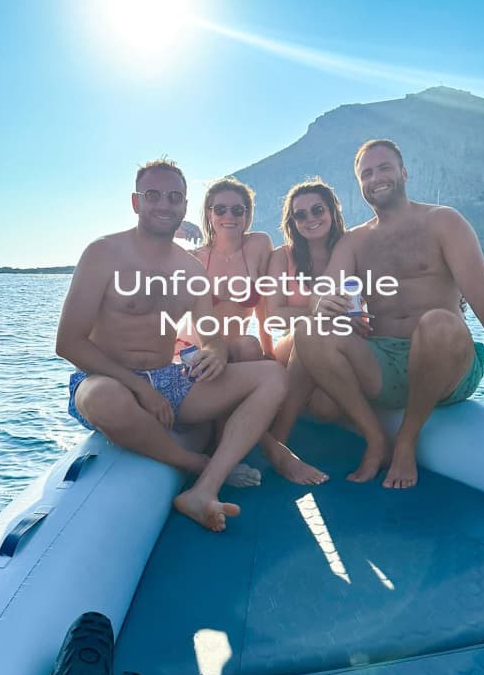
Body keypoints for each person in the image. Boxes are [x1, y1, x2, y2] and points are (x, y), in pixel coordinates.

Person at [291, 139, 484, 489]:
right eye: (366, 173)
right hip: (384, 362)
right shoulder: (354, 241)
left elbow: (482, 296)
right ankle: (375, 437)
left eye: (384, 167)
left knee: (439, 322)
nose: (376, 178)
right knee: (309, 330)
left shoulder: (443, 221)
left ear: (403, 172)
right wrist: (321, 303)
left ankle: (407, 440)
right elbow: (324, 292)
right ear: (360, 184)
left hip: (446, 363)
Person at [55, 159, 287, 531]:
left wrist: (215, 351)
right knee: (103, 397)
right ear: (136, 202)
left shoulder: (192, 270)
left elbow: (209, 335)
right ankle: (197, 465)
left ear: (184, 206)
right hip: (107, 379)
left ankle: (202, 491)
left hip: (168, 380)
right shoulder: (103, 254)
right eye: (153, 195)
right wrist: (138, 389)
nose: (164, 204)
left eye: (174, 197)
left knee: (272, 376)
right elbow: (68, 343)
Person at [260, 180, 347, 485]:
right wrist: (317, 312)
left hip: (338, 346)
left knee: (326, 407)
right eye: (300, 215)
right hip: (294, 342)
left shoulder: (349, 250)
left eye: (317, 210)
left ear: (332, 211)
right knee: (309, 331)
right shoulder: (282, 257)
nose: (310, 219)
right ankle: (280, 441)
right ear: (292, 222)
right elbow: (275, 314)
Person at [183, 177, 275, 362]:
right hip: (197, 349)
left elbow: (264, 306)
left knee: (250, 346)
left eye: (237, 210)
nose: (229, 216)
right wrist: (174, 229)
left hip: (236, 350)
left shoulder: (259, 245)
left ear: (246, 214)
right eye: (220, 209)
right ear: (209, 214)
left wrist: (269, 353)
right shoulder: (194, 257)